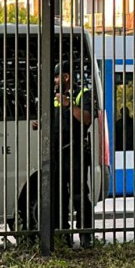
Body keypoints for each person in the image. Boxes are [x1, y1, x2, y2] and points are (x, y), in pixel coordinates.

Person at [53, 62, 96, 246]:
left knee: (79, 194)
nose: (54, 81)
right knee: (59, 196)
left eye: (56, 77)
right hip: (57, 152)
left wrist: (68, 104)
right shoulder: (53, 96)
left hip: (76, 149)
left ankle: (85, 234)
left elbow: (87, 119)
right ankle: (63, 235)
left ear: (66, 77)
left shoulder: (82, 93)